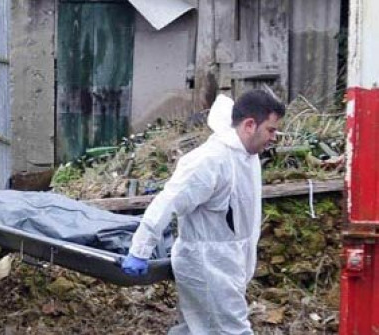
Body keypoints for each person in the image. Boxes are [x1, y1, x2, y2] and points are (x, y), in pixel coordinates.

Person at [121, 90, 286, 334]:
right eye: (271, 130)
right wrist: (140, 249)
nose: (274, 137)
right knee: (231, 330)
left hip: (228, 264)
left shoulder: (246, 156)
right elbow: (167, 202)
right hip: (207, 265)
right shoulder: (210, 160)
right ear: (250, 125)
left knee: (196, 329)